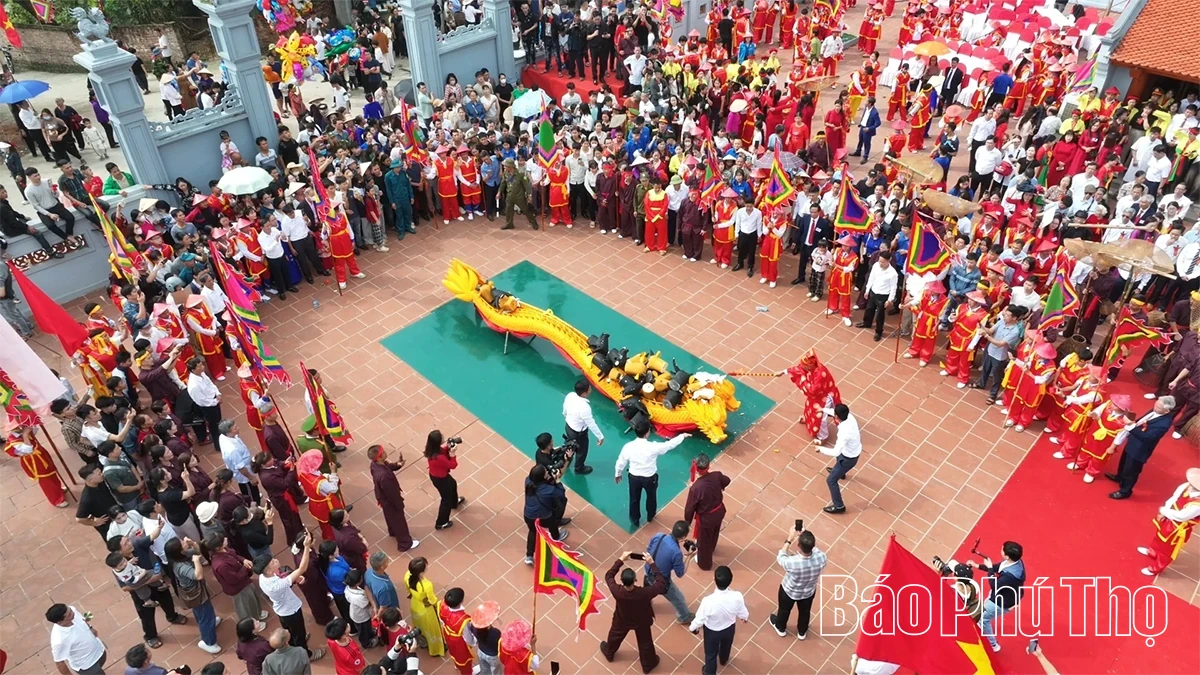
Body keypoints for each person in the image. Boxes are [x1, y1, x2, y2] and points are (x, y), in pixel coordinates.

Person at [254, 531, 326, 660]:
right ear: (269, 570)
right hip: (290, 610)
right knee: (299, 632)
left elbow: (284, 575)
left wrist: (294, 578)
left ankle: (294, 642)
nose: (276, 561)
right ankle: (306, 654)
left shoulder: (263, 576)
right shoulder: (275, 585)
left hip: (282, 610)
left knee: (291, 631)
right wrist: (307, 547)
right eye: (273, 562)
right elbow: (302, 568)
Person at [600, 551, 669, 673]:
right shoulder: (645, 593)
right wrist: (652, 563)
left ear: (621, 580)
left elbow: (609, 576)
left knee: (615, 635)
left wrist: (621, 559)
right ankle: (648, 664)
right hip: (642, 620)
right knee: (645, 642)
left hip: (622, 619)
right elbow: (661, 583)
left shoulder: (617, 590)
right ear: (635, 580)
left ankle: (609, 652)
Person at [615, 420, 690, 529]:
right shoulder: (654, 447)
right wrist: (682, 436)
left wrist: (618, 473)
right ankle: (650, 515)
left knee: (634, 498)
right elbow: (669, 445)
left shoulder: (628, 446)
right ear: (647, 432)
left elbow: (621, 461)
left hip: (634, 477)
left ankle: (635, 519)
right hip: (649, 478)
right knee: (651, 497)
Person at [1107, 397, 1177, 499]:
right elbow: (1142, 421)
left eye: (1158, 407)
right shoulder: (1155, 410)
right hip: (1133, 440)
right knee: (1124, 462)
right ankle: (1119, 476)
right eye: (1156, 404)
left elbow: (1147, 437)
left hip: (1140, 449)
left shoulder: (1164, 424)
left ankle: (1125, 491)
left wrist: (1130, 425)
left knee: (1131, 471)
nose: (1155, 407)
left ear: (1167, 410)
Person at [1138, 467, 1200, 576]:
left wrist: (1164, 511)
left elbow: (1182, 516)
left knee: (1167, 550)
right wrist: (1165, 510)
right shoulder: (1186, 486)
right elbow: (1174, 497)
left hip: (1178, 528)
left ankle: (1155, 568)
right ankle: (1152, 551)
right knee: (1158, 537)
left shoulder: (1197, 505)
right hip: (1169, 517)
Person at [163, 538, 221, 654]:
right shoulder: (180, 566)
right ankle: (209, 642)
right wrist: (196, 561)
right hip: (196, 594)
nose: (184, 541)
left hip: (198, 591)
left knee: (203, 613)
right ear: (178, 550)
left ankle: (211, 623)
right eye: (182, 543)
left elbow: (197, 552)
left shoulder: (181, 556)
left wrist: (193, 544)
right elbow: (198, 575)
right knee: (205, 615)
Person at [688, 566, 749, 675]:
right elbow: (742, 611)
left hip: (712, 632)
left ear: (714, 580)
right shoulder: (737, 596)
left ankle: (710, 672)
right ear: (731, 580)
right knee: (727, 644)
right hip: (729, 628)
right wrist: (744, 617)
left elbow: (700, 618)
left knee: (711, 654)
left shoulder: (708, 601)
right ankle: (724, 659)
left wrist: (693, 627)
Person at [770, 527, 827, 639]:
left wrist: (789, 538)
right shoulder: (822, 557)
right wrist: (805, 536)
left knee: (784, 610)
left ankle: (780, 628)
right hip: (808, 592)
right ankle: (802, 631)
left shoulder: (792, 562)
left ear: (798, 546)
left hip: (789, 591)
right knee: (805, 612)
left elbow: (781, 556)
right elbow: (816, 550)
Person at [971, 541, 1026, 653]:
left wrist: (990, 568)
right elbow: (999, 567)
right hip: (1000, 595)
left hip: (1000, 602)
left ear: (1007, 556)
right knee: (981, 613)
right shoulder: (1014, 561)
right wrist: (978, 566)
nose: (1000, 549)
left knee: (983, 619)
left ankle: (993, 645)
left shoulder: (1011, 576)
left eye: (1002, 549)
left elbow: (994, 585)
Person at [207, 533, 268, 632]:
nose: (226, 539)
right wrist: (245, 567)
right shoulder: (221, 565)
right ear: (218, 547)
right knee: (244, 608)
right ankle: (252, 626)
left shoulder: (225, 549)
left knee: (253, 599)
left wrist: (243, 560)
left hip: (244, 581)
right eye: (223, 540)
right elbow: (234, 579)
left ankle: (257, 614)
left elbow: (235, 555)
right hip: (238, 588)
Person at [684, 453, 730, 571]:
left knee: (704, 541)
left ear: (697, 469)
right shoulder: (717, 476)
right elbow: (727, 480)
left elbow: (690, 508)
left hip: (706, 518)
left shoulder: (696, 488)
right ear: (708, 466)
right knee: (714, 532)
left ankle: (705, 563)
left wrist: (687, 522)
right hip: (719, 511)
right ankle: (712, 548)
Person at [645, 520, 696, 624]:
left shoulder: (659, 536)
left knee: (647, 592)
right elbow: (680, 573)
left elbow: (649, 549)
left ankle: (645, 603)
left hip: (648, 570)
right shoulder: (676, 553)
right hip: (661, 581)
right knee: (679, 599)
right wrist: (689, 557)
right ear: (683, 538)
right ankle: (684, 617)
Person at [369, 444, 419, 552]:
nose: (386, 453)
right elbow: (392, 493)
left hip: (383, 498)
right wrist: (399, 504)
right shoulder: (384, 476)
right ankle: (405, 543)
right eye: (383, 452)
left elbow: (388, 466)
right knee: (399, 520)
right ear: (379, 457)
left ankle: (393, 531)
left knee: (390, 517)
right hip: (390, 501)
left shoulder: (375, 465)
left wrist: (398, 464)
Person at [4, 426, 68, 507]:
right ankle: (56, 500)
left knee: (52, 474)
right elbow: (28, 450)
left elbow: (34, 432)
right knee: (46, 480)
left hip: (40, 455)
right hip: (33, 461)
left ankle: (58, 490)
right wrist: (25, 435)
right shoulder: (14, 440)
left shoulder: (22, 431)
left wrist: (32, 424)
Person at [817, 403, 861, 514]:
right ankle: (841, 473)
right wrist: (823, 409)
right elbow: (834, 412)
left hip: (847, 458)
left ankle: (839, 506)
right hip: (851, 451)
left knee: (831, 480)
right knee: (839, 460)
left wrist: (820, 449)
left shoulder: (844, 433)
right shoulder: (850, 417)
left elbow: (836, 451)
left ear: (836, 417)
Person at [523, 464, 567, 564]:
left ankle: (529, 556)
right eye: (546, 472)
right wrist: (557, 481)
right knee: (553, 523)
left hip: (528, 515)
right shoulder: (549, 490)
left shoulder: (527, 481)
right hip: (544, 517)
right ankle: (556, 537)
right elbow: (560, 493)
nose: (548, 472)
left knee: (532, 531)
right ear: (543, 476)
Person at [47, 604, 107, 675]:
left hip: (99, 650)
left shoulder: (72, 611)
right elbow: (59, 663)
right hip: (88, 666)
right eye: (69, 614)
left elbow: (82, 619)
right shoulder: (60, 640)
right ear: (60, 622)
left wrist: (90, 628)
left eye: (70, 609)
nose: (73, 612)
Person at [404, 557, 446, 656]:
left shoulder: (407, 575)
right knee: (432, 630)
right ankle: (435, 650)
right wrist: (440, 606)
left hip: (415, 605)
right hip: (426, 610)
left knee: (419, 625)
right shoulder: (427, 585)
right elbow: (432, 600)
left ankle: (422, 640)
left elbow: (408, 589)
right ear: (421, 572)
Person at [425, 430, 466, 530]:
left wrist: (448, 447)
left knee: (453, 484)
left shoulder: (432, 450)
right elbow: (452, 465)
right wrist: (452, 454)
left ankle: (454, 502)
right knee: (445, 499)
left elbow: (442, 451)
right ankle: (441, 522)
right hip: (441, 479)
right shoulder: (439, 458)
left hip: (438, 476)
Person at [562, 378, 602, 474]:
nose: (590, 388)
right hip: (579, 434)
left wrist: (565, 416)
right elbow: (591, 423)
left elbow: (565, 409)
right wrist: (600, 436)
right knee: (581, 451)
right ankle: (579, 468)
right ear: (585, 393)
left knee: (569, 445)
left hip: (568, 427)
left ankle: (566, 461)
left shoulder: (570, 396)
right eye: (589, 388)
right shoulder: (585, 408)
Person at [857, 250, 898, 341]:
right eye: (880, 261)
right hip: (873, 291)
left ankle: (878, 331)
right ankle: (867, 322)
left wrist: (890, 300)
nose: (880, 263)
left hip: (883, 296)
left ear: (889, 260)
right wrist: (867, 290)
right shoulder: (876, 266)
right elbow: (871, 278)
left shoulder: (893, 273)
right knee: (869, 308)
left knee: (880, 314)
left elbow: (893, 288)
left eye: (883, 262)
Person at [439, 588, 474, 675]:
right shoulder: (463, 620)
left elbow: (442, 620)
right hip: (458, 642)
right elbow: (468, 637)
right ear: (461, 601)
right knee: (464, 660)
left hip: (447, 634)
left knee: (454, 653)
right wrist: (473, 642)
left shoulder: (442, 604)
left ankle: (457, 665)